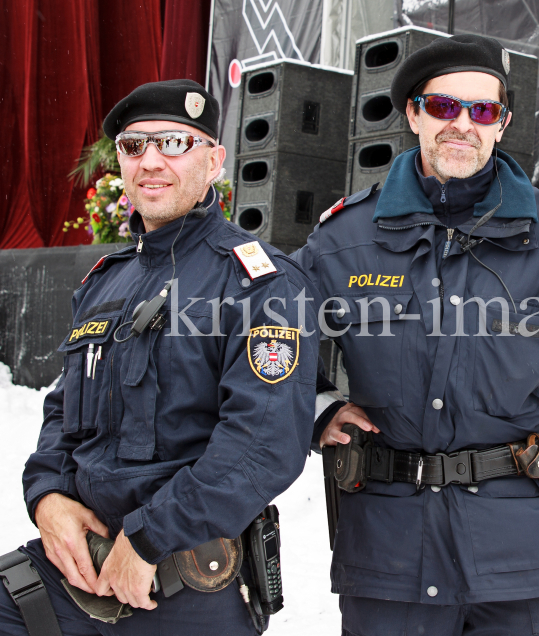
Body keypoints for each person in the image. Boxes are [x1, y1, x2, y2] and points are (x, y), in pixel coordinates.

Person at [293, 35, 539, 635]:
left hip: (522, 562)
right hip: (390, 560)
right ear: (413, 114)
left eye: (483, 111)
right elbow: (270, 346)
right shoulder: (342, 240)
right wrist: (318, 408)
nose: (462, 125)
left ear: (503, 123)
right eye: (443, 107)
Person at [0, 79, 318, 635]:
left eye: (174, 143)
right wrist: (46, 495)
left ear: (214, 161)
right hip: (79, 565)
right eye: (134, 147)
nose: (151, 161)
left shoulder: (259, 282)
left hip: (182, 573)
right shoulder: (105, 282)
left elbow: (262, 445)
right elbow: (61, 412)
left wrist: (149, 537)